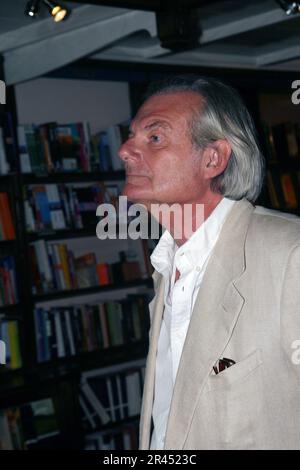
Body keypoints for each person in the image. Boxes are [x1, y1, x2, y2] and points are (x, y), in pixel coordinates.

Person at [118, 75, 300, 450]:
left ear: (213, 159)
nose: (124, 150)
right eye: (131, 136)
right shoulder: (167, 266)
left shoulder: (289, 254)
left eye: (154, 137)